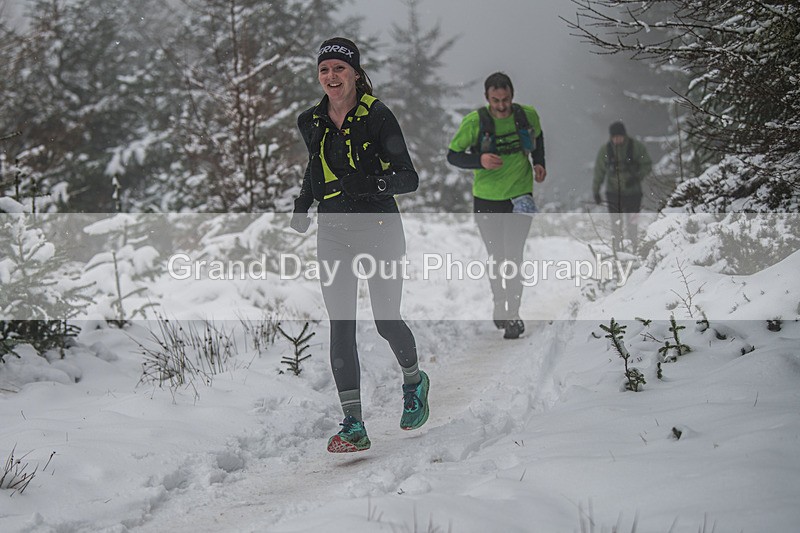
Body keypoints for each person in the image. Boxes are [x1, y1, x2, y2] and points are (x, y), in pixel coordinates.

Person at [290, 37, 430, 453]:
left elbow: (409, 177)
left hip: (380, 227)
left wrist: (372, 184)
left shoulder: (378, 116)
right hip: (332, 231)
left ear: (355, 73)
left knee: (386, 320)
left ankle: (414, 380)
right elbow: (314, 165)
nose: (331, 77)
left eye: (339, 69)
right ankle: (353, 422)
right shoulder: (310, 120)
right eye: (324, 70)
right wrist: (303, 202)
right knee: (342, 326)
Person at [447, 72, 546, 340]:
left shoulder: (527, 116)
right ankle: (499, 301)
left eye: (505, 100)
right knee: (497, 256)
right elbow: (453, 155)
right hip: (487, 198)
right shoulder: (475, 122)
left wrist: (539, 163)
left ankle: (513, 314)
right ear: (486, 98)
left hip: (520, 195)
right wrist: (480, 160)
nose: (501, 106)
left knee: (513, 256)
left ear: (512, 96)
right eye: (495, 100)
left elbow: (538, 139)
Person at [592, 121, 653, 249]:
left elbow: (647, 164)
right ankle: (618, 251)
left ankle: (634, 248)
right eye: (614, 137)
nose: (617, 140)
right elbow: (599, 172)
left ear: (624, 135)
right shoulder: (605, 150)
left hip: (634, 193)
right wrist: (596, 191)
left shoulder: (636, 147)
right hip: (613, 193)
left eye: (619, 137)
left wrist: (636, 177)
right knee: (616, 225)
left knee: (633, 224)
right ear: (611, 137)